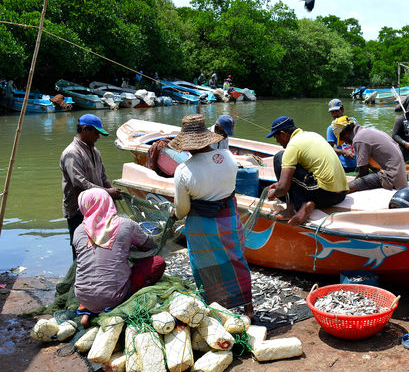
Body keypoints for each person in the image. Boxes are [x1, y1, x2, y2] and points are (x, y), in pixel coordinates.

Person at [171, 114, 253, 318]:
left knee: (206, 264)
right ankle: (248, 309)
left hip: (201, 223)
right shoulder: (229, 158)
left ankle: (215, 309)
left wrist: (174, 214)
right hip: (228, 215)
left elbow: (182, 210)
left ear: (187, 145)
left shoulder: (183, 171)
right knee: (235, 258)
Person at [73, 188, 165, 326]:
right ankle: (109, 307)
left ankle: (87, 310)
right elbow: (149, 245)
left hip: (82, 296)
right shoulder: (126, 224)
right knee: (158, 262)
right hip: (113, 297)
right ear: (108, 202)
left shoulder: (78, 230)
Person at [266, 116, 347, 225]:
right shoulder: (313, 135)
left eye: (277, 137)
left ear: (283, 134)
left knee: (279, 157)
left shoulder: (293, 146)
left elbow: (284, 188)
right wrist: (281, 183)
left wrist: (275, 192)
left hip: (323, 194)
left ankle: (291, 209)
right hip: (341, 194)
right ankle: (310, 204)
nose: (277, 141)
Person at [60, 114, 121, 259]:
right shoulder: (72, 153)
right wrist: (108, 192)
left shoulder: (95, 151)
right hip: (78, 210)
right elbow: (80, 183)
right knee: (80, 249)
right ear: (86, 129)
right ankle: (78, 279)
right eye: (96, 133)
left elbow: (103, 176)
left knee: (98, 246)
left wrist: (111, 191)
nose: (98, 137)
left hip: (97, 208)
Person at [334, 116, 408, 193]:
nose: (345, 142)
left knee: (345, 188)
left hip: (391, 178)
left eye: (343, 139)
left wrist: (355, 182)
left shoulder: (358, 140)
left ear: (346, 132)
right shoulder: (367, 131)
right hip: (400, 176)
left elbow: (364, 173)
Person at [325, 99, 357, 172]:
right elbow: (329, 148)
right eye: (332, 112)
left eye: (337, 111)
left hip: (359, 162)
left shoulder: (352, 121)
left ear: (342, 109)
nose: (335, 114)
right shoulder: (331, 129)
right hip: (344, 164)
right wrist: (344, 152)